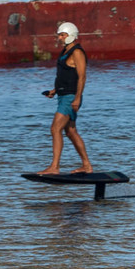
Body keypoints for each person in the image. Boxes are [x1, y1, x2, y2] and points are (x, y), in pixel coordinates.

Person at [38, 21, 92, 176]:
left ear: (71, 35)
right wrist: (54, 91)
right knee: (71, 132)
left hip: (70, 98)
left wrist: (77, 98)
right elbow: (66, 76)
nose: (59, 38)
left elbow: (81, 77)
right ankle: (87, 166)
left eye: (63, 35)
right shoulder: (65, 52)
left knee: (55, 128)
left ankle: (54, 167)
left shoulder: (77, 52)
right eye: (59, 35)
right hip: (63, 96)